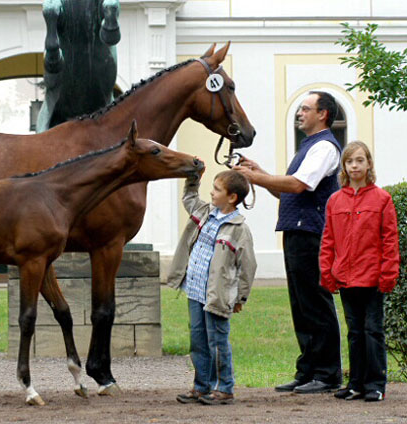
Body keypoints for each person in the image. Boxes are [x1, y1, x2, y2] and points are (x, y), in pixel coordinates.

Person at [234, 91, 343, 394]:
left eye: (305, 108)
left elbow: (298, 184)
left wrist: (256, 179)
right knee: (301, 304)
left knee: (316, 303)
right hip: (298, 233)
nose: (299, 113)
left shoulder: (324, 147)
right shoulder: (310, 148)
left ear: (323, 114)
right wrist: (261, 174)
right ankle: (308, 371)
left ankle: (328, 373)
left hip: (311, 235)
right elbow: (288, 192)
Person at [168, 169, 256, 405]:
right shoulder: (205, 213)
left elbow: (248, 267)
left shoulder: (239, 229)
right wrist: (193, 177)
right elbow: (189, 199)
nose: (211, 192)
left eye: (217, 189)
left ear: (232, 197)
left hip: (217, 296)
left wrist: (240, 298)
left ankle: (223, 388)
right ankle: (202, 386)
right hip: (195, 291)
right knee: (198, 340)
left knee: (216, 342)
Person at [319, 141, 399, 402]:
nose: (355, 166)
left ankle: (375, 384)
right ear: (344, 166)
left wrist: (388, 274)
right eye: (350, 161)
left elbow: (389, 239)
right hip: (346, 277)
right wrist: (327, 272)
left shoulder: (381, 199)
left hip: (373, 278)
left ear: (368, 164)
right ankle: (355, 383)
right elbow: (328, 239)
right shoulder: (335, 201)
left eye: (360, 160)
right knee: (354, 331)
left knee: (372, 330)